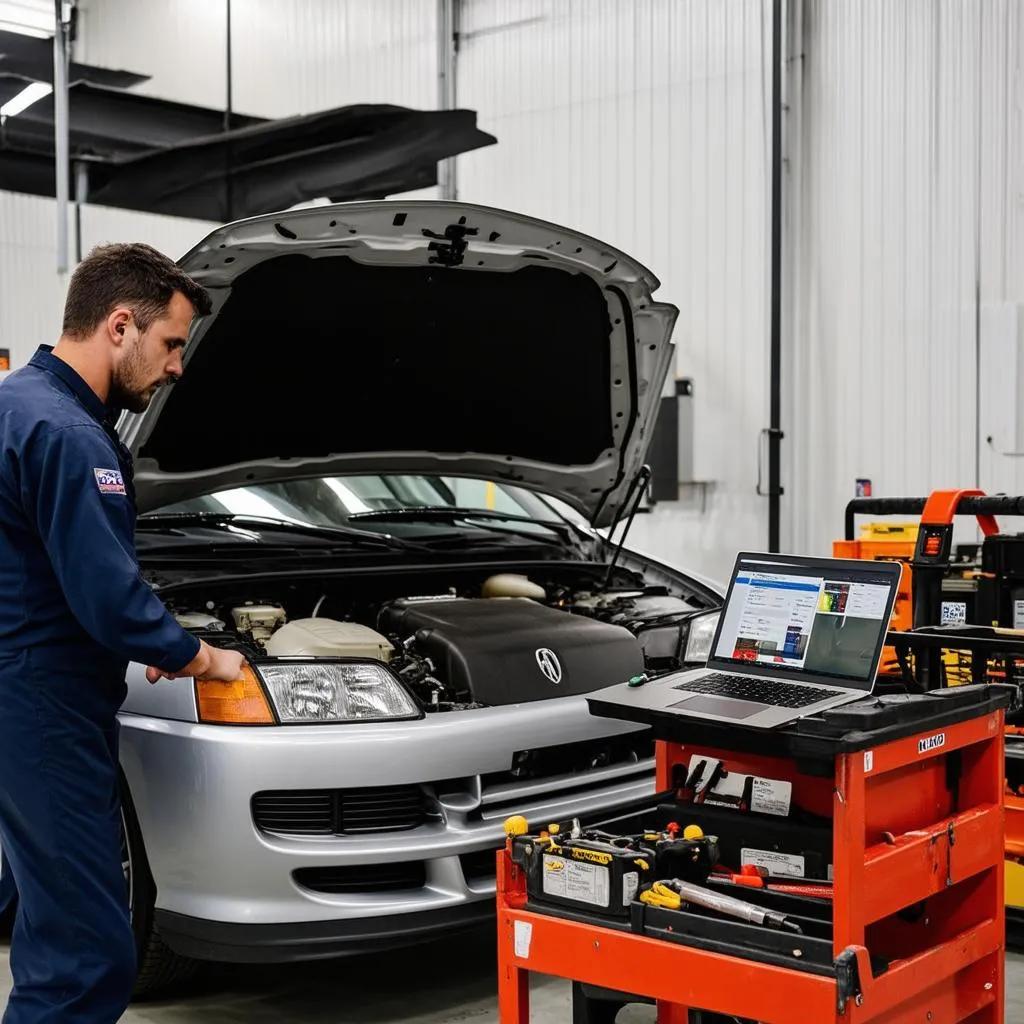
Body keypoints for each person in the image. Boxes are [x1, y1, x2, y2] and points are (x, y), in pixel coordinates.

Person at [0, 243, 245, 1022]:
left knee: (39, 906)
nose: (176, 367)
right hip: (45, 702)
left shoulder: (15, 403)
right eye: (171, 343)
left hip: (17, 687)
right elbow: (108, 602)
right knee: (85, 952)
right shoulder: (71, 435)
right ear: (117, 325)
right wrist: (201, 655)